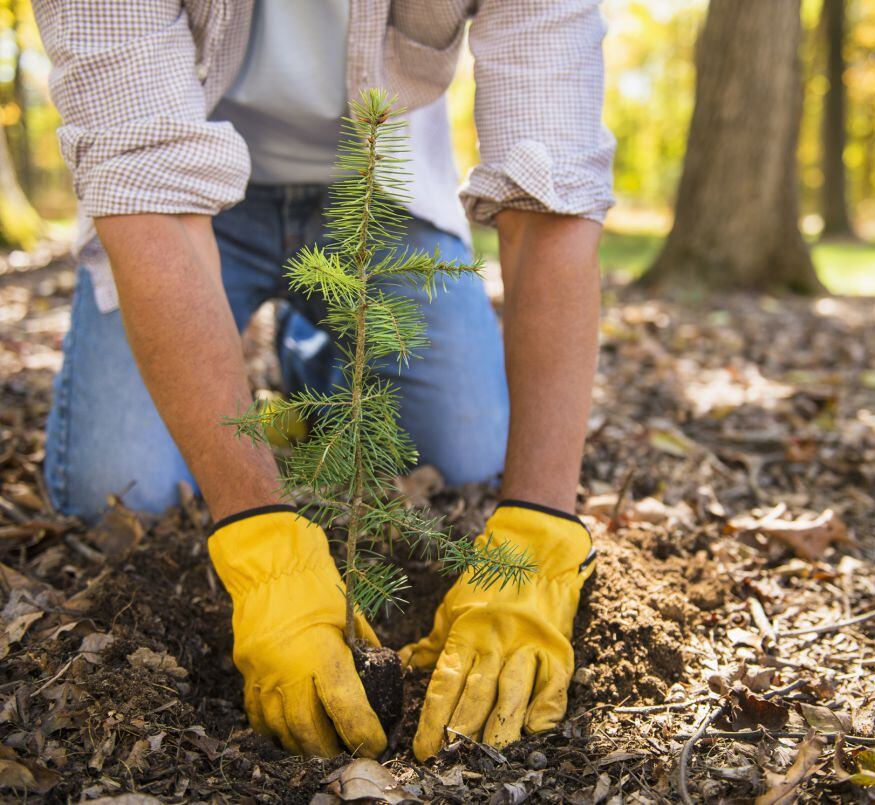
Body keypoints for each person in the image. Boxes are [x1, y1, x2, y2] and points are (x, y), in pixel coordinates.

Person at [33, 0, 613, 762]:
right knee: (116, 489)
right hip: (181, 187)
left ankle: (318, 368)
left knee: (471, 452)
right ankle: (295, 381)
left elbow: (554, 190)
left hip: (383, 186)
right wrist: (258, 534)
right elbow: (146, 185)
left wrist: (541, 524)